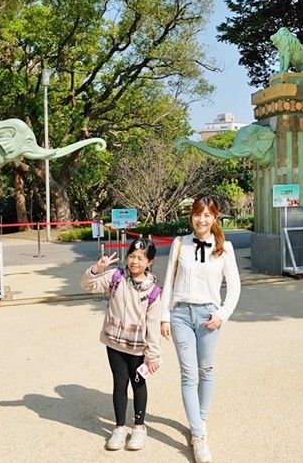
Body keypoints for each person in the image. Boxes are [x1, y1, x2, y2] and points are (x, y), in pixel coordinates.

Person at [159, 196, 241, 463]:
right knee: (188, 374)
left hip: (209, 316)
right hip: (181, 314)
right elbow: (168, 282)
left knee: (206, 369)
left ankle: (201, 418)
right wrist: (164, 316)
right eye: (197, 214)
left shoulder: (224, 247)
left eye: (207, 215)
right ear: (191, 217)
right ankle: (198, 436)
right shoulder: (179, 243)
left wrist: (222, 315)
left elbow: (235, 287)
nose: (201, 219)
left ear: (215, 218)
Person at [80, 239, 163, 451]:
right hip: (114, 344)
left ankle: (139, 427)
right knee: (119, 385)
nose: (135, 261)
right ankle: (119, 427)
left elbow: (153, 327)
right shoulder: (115, 277)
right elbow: (87, 285)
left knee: (138, 385)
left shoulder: (153, 291)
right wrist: (98, 268)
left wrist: (152, 354)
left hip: (137, 348)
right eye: (132, 256)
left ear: (149, 262)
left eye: (141, 258)